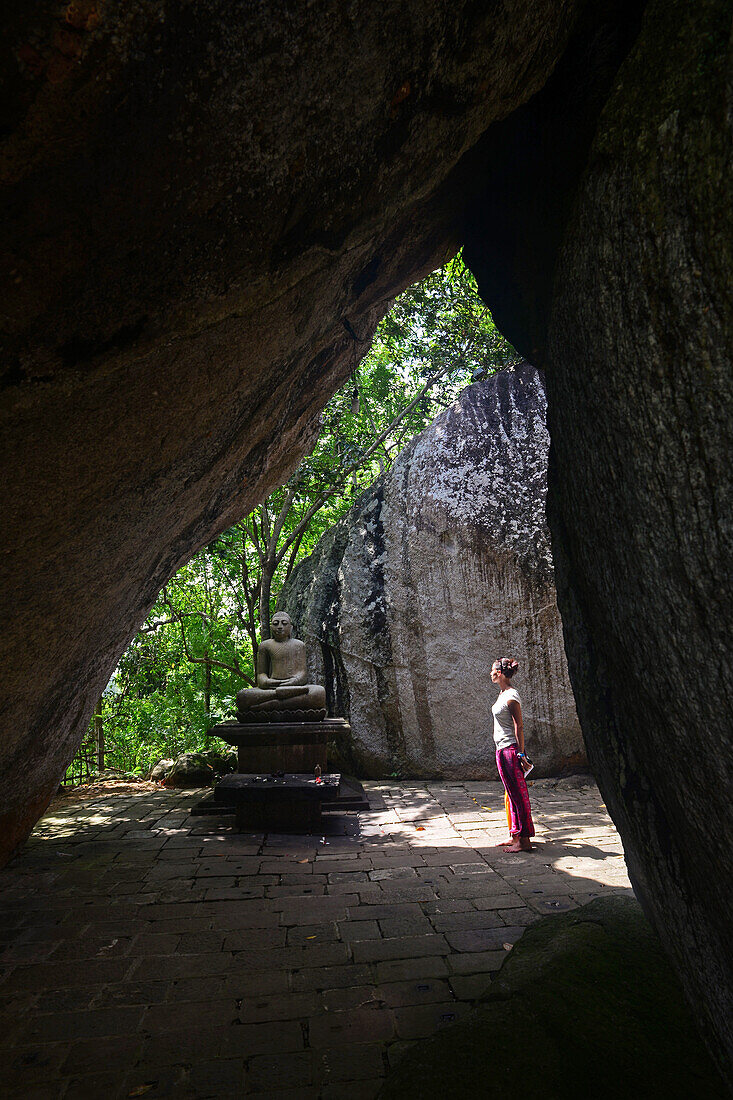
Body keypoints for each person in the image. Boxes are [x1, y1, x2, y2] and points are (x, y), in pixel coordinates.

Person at [490, 656, 535, 852]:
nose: (490, 673)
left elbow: (519, 726)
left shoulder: (511, 695)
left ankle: (524, 841)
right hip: (501, 749)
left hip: (510, 750)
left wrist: (521, 753)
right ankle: (515, 835)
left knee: (518, 795)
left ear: (499, 673)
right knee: (510, 795)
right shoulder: (502, 694)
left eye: (492, 670)